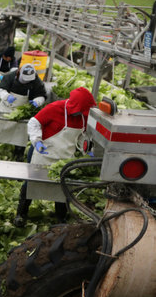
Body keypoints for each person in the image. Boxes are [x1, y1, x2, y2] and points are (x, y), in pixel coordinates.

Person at [14, 87, 97, 226]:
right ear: (73, 106)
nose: (80, 114)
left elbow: (83, 135)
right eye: (79, 111)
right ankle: (21, 214)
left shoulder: (84, 115)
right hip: (43, 153)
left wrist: (87, 149)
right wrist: (37, 141)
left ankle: (60, 218)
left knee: (62, 188)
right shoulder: (55, 108)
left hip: (65, 157)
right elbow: (34, 123)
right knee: (31, 183)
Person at [0, 64, 47, 153]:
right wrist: (6, 96)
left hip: (22, 111)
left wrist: (37, 101)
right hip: (6, 108)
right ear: (19, 73)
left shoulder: (36, 81)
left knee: (20, 134)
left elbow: (42, 95)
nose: (27, 82)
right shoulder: (9, 77)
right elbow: (1, 89)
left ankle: (18, 152)